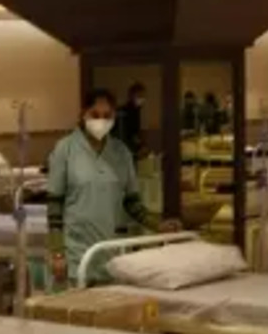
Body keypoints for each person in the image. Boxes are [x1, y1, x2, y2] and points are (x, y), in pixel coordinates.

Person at [46, 89, 181, 288]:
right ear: (83, 114)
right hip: (75, 252)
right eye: (95, 115)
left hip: (110, 249)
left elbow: (132, 203)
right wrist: (57, 252)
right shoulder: (65, 150)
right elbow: (54, 206)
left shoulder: (121, 153)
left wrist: (157, 225)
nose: (101, 121)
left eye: (107, 116)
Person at [115, 82, 147, 157]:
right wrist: (139, 146)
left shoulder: (136, 111)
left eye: (143, 96)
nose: (142, 98)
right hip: (125, 148)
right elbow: (129, 133)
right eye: (139, 96)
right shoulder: (126, 112)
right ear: (131, 96)